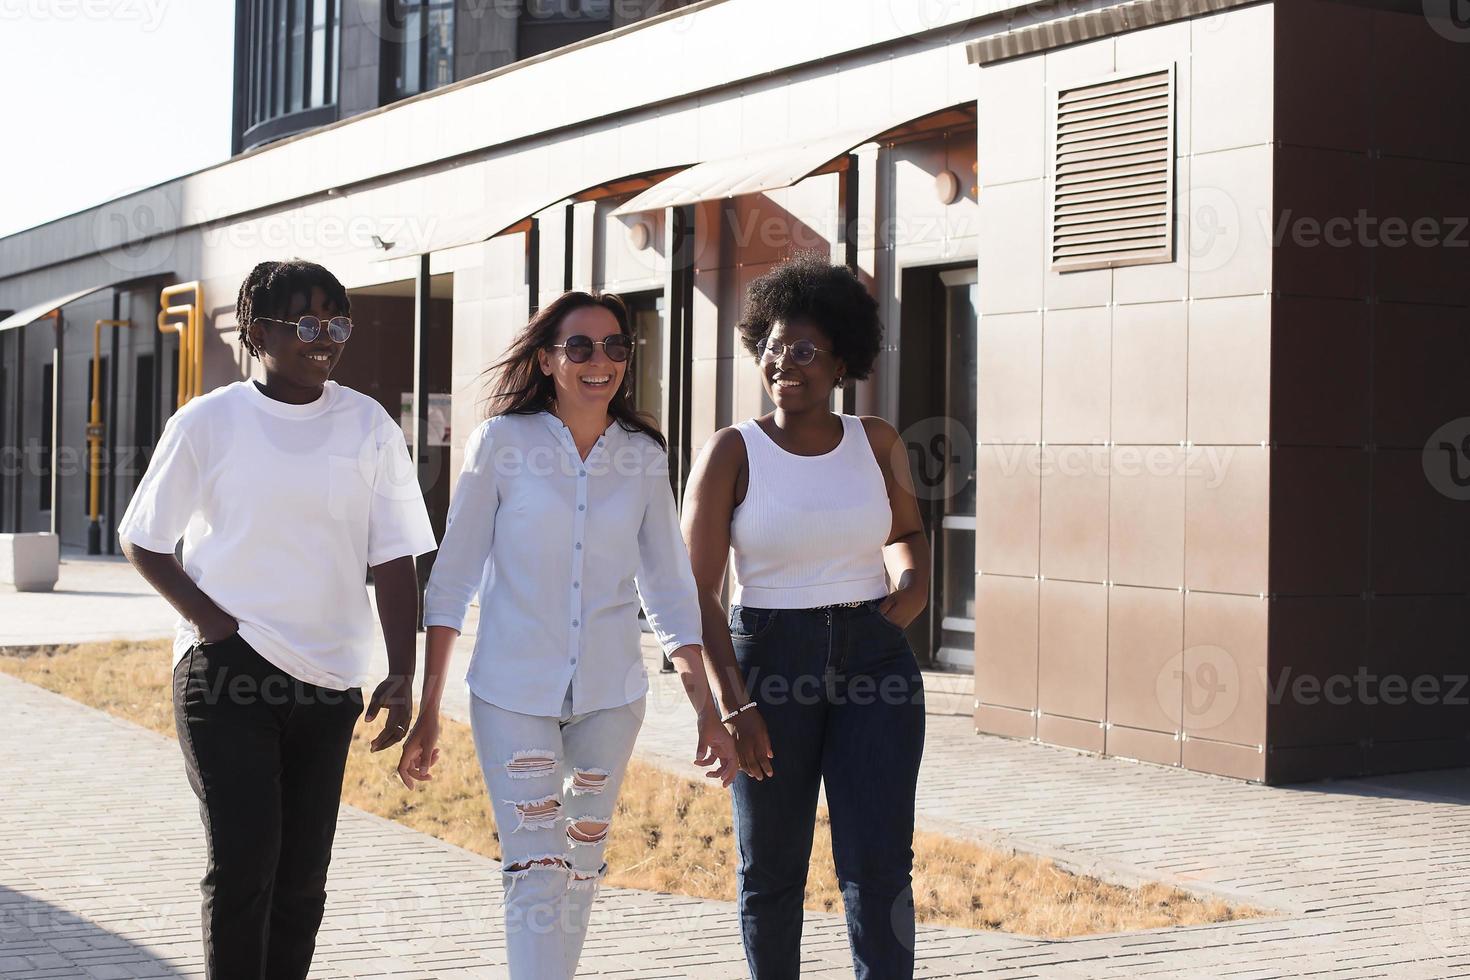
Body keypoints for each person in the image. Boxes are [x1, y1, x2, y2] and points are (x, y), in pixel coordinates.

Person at [397, 290, 737, 980]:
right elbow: (452, 581)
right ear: (549, 360)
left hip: (611, 698)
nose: (599, 361)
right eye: (579, 347)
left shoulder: (641, 456)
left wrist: (709, 709)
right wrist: (428, 710)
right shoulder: (502, 443)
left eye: (616, 346)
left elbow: (670, 592)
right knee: (537, 865)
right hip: (512, 694)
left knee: (579, 866)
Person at [117, 259, 438, 980]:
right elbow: (143, 538)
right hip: (227, 673)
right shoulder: (209, 421)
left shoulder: (369, 425)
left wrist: (401, 672)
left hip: (329, 679)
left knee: (301, 885)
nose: (324, 336)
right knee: (244, 865)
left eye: (336, 321)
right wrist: (212, 624)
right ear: (257, 332)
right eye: (305, 321)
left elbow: (393, 558)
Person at [681, 253, 931, 979]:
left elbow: (907, 536)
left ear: (843, 360)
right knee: (771, 869)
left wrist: (907, 593)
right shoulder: (732, 452)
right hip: (768, 659)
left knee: (879, 863)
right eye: (773, 347)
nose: (783, 361)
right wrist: (735, 704)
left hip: (873, 660)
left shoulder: (877, 441)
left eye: (805, 349)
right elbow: (697, 592)